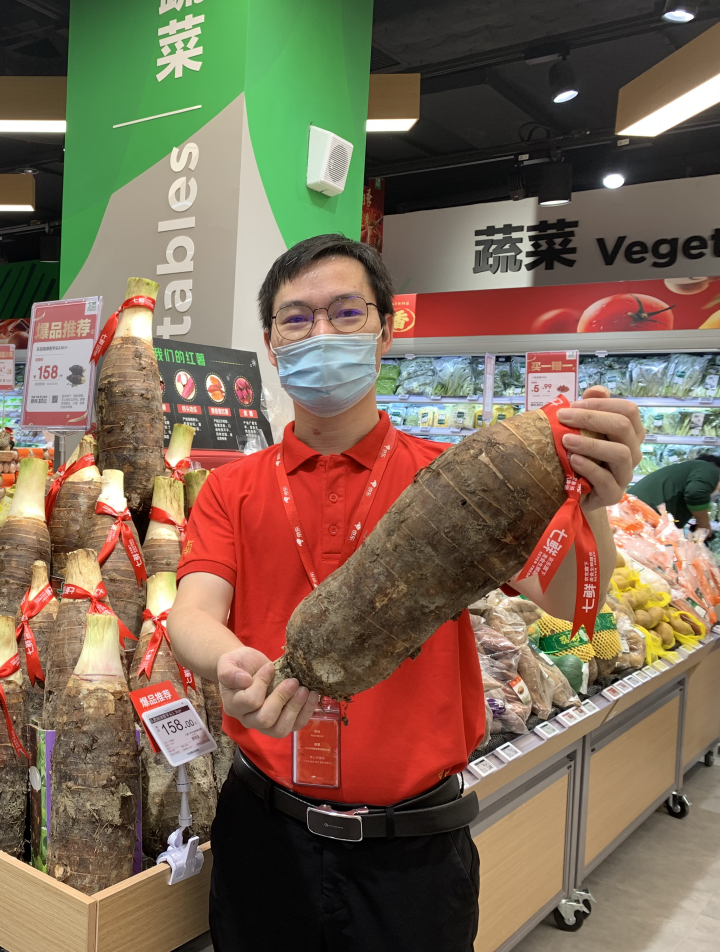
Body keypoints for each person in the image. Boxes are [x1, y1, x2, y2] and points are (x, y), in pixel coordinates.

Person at [166, 234, 645, 952]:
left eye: (345, 312)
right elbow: (192, 612)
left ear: (385, 331)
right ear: (270, 344)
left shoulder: (459, 477)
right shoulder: (230, 486)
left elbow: (568, 595)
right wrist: (228, 662)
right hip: (263, 836)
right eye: (296, 318)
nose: (320, 333)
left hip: (413, 851)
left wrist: (592, 500)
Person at [628, 453, 720, 538]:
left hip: (636, 514)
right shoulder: (709, 468)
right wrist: (704, 525)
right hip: (643, 515)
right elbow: (695, 493)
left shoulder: (681, 477)